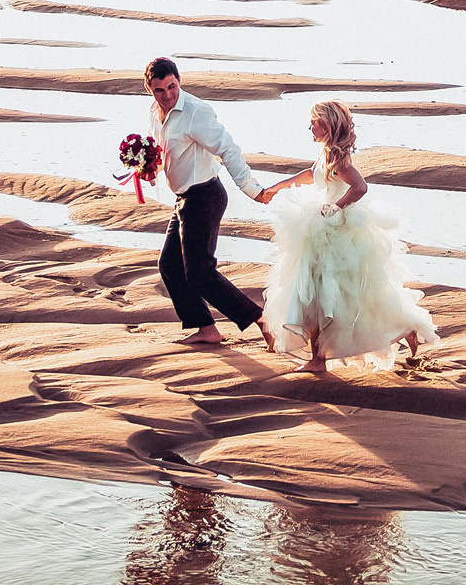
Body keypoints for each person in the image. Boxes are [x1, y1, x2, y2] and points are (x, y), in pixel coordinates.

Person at [257, 101, 437, 373]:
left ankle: (320, 360)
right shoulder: (326, 154)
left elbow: (360, 187)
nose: (310, 128)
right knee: (313, 294)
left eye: (314, 123)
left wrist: (336, 207)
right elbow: (311, 175)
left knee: (325, 296)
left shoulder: (339, 159)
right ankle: (398, 330)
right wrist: (277, 187)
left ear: (327, 126)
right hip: (319, 229)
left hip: (334, 233)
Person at [140, 56, 268, 348]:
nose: (167, 95)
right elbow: (163, 152)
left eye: (172, 87)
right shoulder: (154, 113)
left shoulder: (196, 111)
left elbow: (228, 148)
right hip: (183, 199)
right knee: (169, 265)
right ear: (150, 89)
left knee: (199, 273)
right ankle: (207, 329)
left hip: (205, 196)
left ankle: (261, 319)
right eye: (159, 90)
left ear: (179, 81)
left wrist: (252, 189)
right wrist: (148, 168)